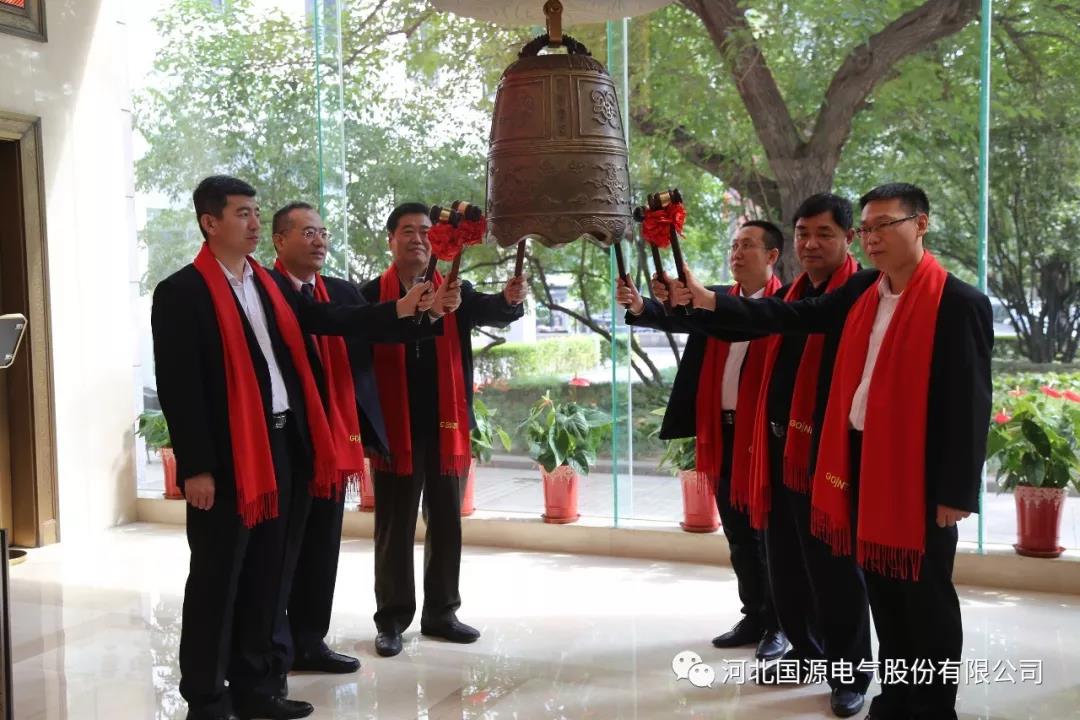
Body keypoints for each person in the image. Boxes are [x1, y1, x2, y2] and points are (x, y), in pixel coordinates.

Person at [672, 183, 993, 720]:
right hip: (861, 458)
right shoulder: (865, 290)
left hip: (917, 472)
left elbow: (970, 404)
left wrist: (956, 491)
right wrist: (708, 300)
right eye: (867, 228)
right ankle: (896, 701)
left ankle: (934, 708)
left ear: (921, 224)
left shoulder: (958, 302)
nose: (873, 237)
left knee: (926, 598)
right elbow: (796, 316)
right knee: (885, 594)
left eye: (884, 225)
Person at [152, 176, 433, 720]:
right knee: (218, 579)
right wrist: (197, 467)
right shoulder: (181, 291)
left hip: (283, 446)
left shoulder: (268, 285)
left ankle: (259, 689)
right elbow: (179, 388)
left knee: (269, 574)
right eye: (242, 214)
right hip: (229, 456)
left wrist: (400, 309)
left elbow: (328, 318)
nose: (255, 223)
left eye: (257, 213)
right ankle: (207, 699)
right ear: (210, 222)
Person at [268, 202, 456, 680]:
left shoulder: (341, 290)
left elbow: (380, 328)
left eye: (323, 232)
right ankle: (274, 647)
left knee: (323, 546)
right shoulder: (267, 290)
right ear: (279, 240)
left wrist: (425, 311)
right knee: (283, 551)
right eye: (308, 232)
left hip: (337, 437)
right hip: (288, 438)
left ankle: (310, 641)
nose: (319, 241)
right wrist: (400, 308)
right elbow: (324, 319)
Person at [360, 202, 527, 658]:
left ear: (436, 241)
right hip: (395, 428)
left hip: (445, 424)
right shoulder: (371, 293)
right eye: (407, 231)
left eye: (425, 232)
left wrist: (510, 298)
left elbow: (495, 310)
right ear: (391, 240)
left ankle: (442, 613)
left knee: (447, 521)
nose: (417, 239)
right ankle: (392, 618)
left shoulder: (454, 288)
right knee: (394, 526)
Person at [616, 220, 788, 662]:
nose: (737, 253)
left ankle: (780, 624)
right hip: (723, 431)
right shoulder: (718, 298)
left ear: (772, 256)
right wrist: (641, 305)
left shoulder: (787, 305)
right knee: (738, 533)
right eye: (734, 245)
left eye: (748, 245)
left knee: (770, 537)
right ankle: (753, 615)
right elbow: (674, 314)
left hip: (766, 437)